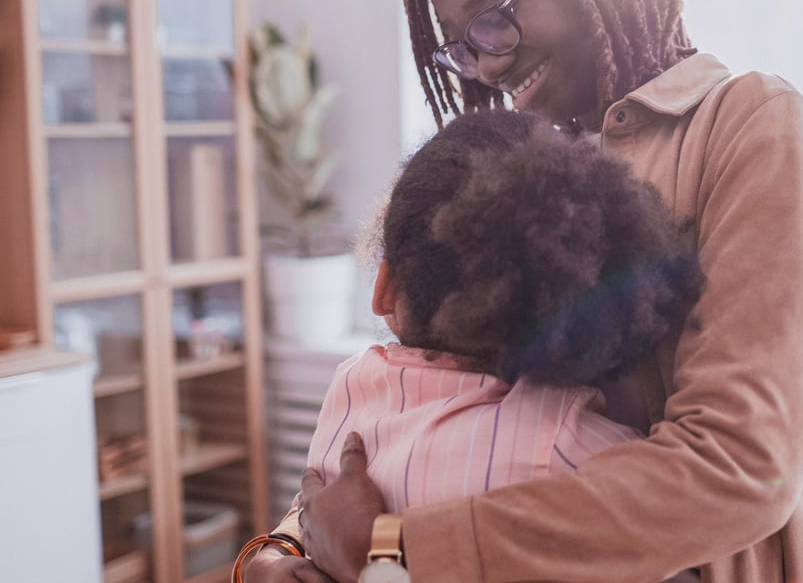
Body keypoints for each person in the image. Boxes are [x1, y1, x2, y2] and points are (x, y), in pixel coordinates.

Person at [253, 0, 803, 580]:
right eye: (464, 48)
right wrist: (281, 555)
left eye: (494, 17)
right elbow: (417, 425)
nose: (490, 65)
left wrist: (393, 547)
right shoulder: (521, 167)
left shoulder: (751, 124)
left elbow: (739, 465)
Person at [241, 108, 704, 582]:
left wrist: (270, 562)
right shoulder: (567, 444)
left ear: (384, 290)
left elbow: (307, 515)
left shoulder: (349, 389)